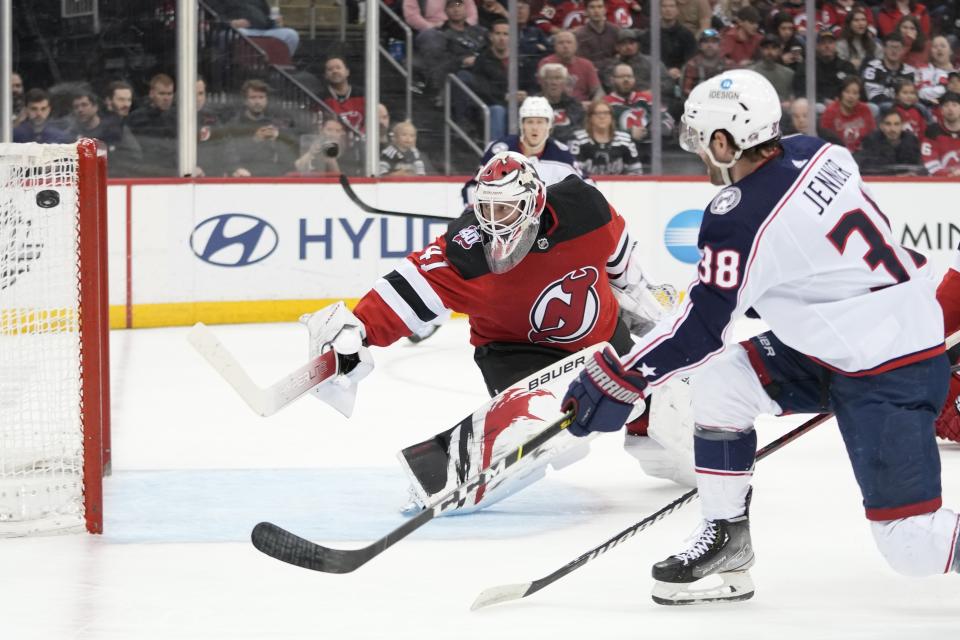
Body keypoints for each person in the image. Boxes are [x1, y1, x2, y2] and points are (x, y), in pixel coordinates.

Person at [560, 69, 958, 605]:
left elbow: (702, 327)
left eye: (702, 139)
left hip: (888, 367)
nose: (700, 151)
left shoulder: (739, 215)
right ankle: (727, 538)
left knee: (912, 545)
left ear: (724, 141)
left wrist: (622, 378)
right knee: (723, 380)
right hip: (851, 338)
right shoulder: (819, 151)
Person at [300, 150, 677, 514]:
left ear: (534, 203)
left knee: (666, 401)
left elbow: (621, 263)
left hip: (604, 338)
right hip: (515, 354)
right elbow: (405, 291)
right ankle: (448, 470)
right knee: (548, 428)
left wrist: (643, 298)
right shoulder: (465, 252)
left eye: (505, 208)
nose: (494, 221)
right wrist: (358, 330)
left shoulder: (586, 209)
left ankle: (699, 460)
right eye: (487, 208)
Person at [462, 96, 587, 205]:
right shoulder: (500, 150)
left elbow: (587, 187)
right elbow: (473, 187)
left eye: (540, 122)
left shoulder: (561, 154)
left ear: (549, 126)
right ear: (522, 125)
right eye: (530, 122)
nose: (534, 127)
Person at [65, 90, 143, 175]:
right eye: (76, 107)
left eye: (84, 105)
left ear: (95, 107)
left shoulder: (116, 129)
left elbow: (135, 156)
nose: (80, 110)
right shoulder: (72, 133)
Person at [569, 99, 643, 174]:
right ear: (590, 117)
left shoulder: (625, 140)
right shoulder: (578, 140)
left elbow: (636, 172)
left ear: (611, 117)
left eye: (606, 113)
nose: (602, 117)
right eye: (598, 113)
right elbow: (573, 171)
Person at [126, 73, 178, 176]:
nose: (166, 98)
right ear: (151, 94)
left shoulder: (179, 118)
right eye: (162, 94)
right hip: (145, 173)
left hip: (173, 172)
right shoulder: (136, 118)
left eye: (169, 94)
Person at [207, 0, 300, 56]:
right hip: (237, 31)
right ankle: (247, 70)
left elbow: (265, 16)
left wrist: (274, 22)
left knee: (291, 35)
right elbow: (212, 18)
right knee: (237, 35)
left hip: (263, 31)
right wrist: (231, 23)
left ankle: (278, 68)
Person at [792, 29, 856, 108]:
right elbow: (801, 92)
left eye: (830, 42)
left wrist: (841, 99)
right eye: (823, 43)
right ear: (817, 46)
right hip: (817, 105)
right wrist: (823, 100)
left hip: (844, 104)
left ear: (835, 45)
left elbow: (855, 88)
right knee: (819, 107)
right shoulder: (807, 66)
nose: (827, 46)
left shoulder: (846, 66)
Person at [537, 30, 604, 102]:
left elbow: (598, 91)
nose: (565, 46)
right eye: (561, 43)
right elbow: (543, 90)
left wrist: (592, 105)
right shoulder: (546, 63)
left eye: (569, 42)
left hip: (582, 105)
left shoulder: (586, 64)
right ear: (555, 46)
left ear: (576, 46)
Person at [855, 107, 923, 174]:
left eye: (896, 124)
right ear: (881, 126)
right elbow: (866, 169)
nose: (892, 129)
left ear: (902, 125)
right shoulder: (871, 141)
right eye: (888, 124)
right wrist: (896, 176)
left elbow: (920, 169)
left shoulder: (911, 141)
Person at [862, 33, 917, 111]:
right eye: (891, 47)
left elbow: (915, 95)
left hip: (906, 107)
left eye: (897, 48)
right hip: (881, 107)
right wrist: (898, 104)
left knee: (920, 108)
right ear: (884, 48)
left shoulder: (910, 71)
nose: (894, 51)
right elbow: (873, 95)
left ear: (902, 50)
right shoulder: (873, 67)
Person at [819, 75, 875, 152]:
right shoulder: (830, 111)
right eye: (847, 92)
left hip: (862, 155)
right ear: (841, 93)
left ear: (859, 96)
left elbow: (872, 135)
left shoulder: (865, 110)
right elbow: (825, 139)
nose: (851, 96)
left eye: (855, 93)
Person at [535, 63, 586, 143]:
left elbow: (579, 131)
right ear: (542, 81)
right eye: (549, 78)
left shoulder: (574, 105)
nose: (553, 83)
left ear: (565, 82)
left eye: (558, 78)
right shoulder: (533, 105)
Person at [680, 28, 728, 100]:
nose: (709, 45)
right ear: (699, 45)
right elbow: (685, 91)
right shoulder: (691, 65)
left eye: (714, 42)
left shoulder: (727, 64)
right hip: (697, 104)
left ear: (719, 45)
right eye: (705, 42)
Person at [574, 0, 621, 71]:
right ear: (586, 11)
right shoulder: (580, 35)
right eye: (592, 7)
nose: (596, 11)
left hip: (614, 72)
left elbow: (620, 56)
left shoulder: (615, 31)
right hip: (592, 73)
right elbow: (583, 63)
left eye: (600, 7)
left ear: (605, 10)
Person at [920, 91, 960, 175]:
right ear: (941, 110)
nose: (950, 109)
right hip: (940, 183)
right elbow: (929, 163)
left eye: (954, 105)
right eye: (946, 105)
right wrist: (948, 175)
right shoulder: (932, 131)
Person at [748, 34, 794, 105]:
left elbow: (791, 100)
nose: (770, 52)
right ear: (761, 49)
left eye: (774, 48)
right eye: (766, 48)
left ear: (779, 50)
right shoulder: (751, 73)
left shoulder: (789, 74)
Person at [322, 57, 365, 132]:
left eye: (338, 67)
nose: (335, 71)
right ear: (325, 75)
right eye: (330, 69)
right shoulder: (320, 98)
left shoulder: (363, 94)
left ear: (347, 72)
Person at [916, 35, 956, 106]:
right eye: (935, 47)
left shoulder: (957, 73)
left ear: (950, 51)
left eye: (943, 46)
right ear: (931, 52)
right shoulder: (923, 71)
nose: (939, 49)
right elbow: (920, 93)